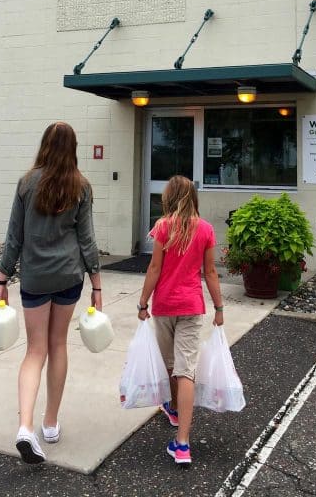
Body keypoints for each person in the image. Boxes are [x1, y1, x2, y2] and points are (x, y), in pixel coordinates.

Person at [0, 122, 102, 465]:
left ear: (44, 145)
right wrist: (97, 284)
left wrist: (2, 276)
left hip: (35, 278)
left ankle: (25, 427)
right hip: (69, 276)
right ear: (73, 148)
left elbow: (15, 234)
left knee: (34, 350)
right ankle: (51, 423)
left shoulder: (27, 182)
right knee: (58, 345)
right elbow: (87, 240)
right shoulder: (81, 186)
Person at [137, 175, 223, 466]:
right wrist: (220, 307)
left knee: (170, 365)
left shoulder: (162, 227)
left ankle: (174, 411)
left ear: (169, 198)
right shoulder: (206, 229)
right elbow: (210, 272)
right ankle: (182, 443)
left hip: (164, 306)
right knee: (186, 370)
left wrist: (142, 302)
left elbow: (154, 268)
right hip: (191, 306)